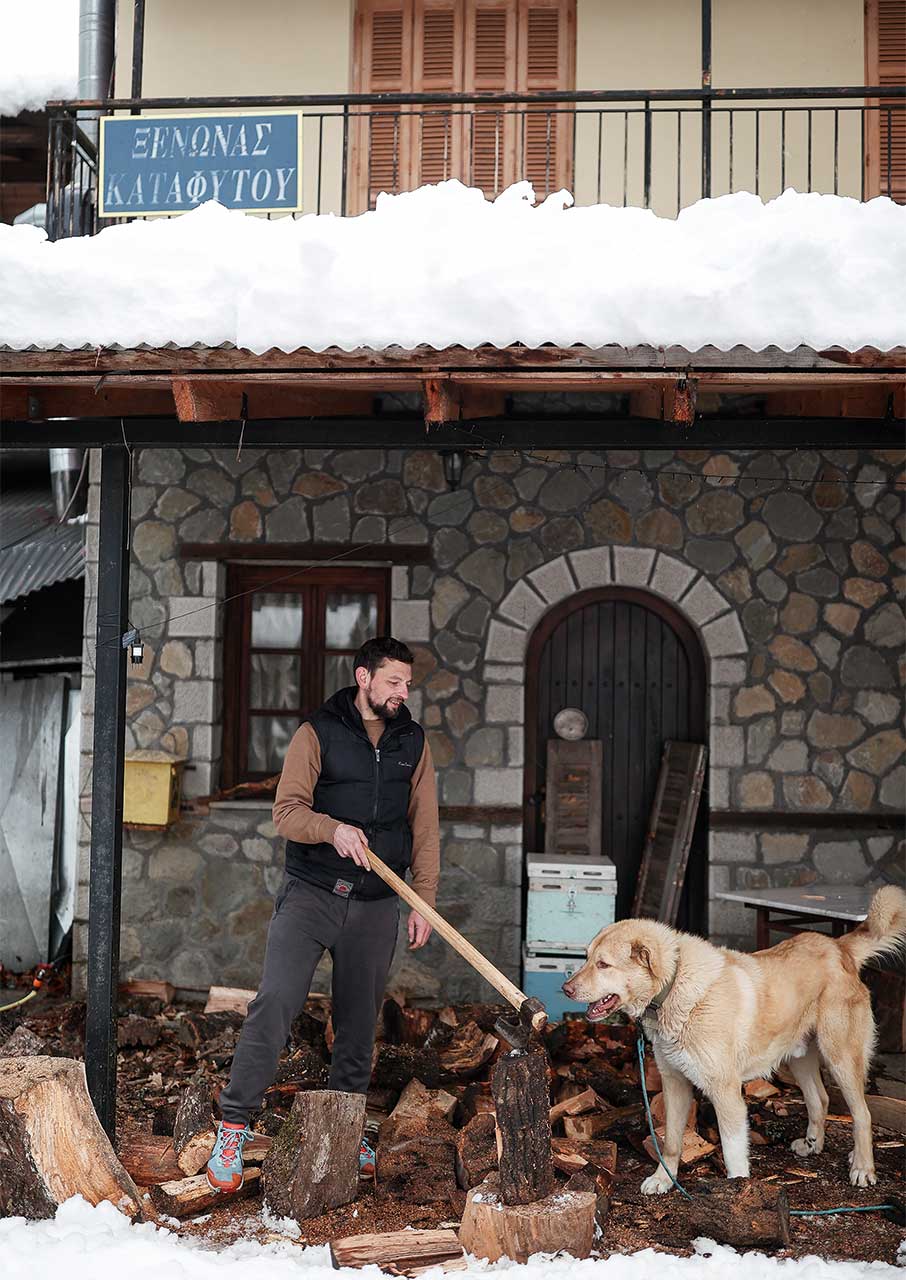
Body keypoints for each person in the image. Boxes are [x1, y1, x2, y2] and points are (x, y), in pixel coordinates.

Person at [206, 636, 440, 1192]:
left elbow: (424, 824)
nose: (403, 693)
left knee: (359, 1023)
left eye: (407, 683)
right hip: (312, 894)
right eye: (393, 682)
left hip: (378, 904)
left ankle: (344, 1127)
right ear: (363, 678)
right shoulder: (318, 731)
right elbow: (287, 812)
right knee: (275, 1004)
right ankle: (234, 1126)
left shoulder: (412, 740)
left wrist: (421, 898)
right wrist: (331, 829)